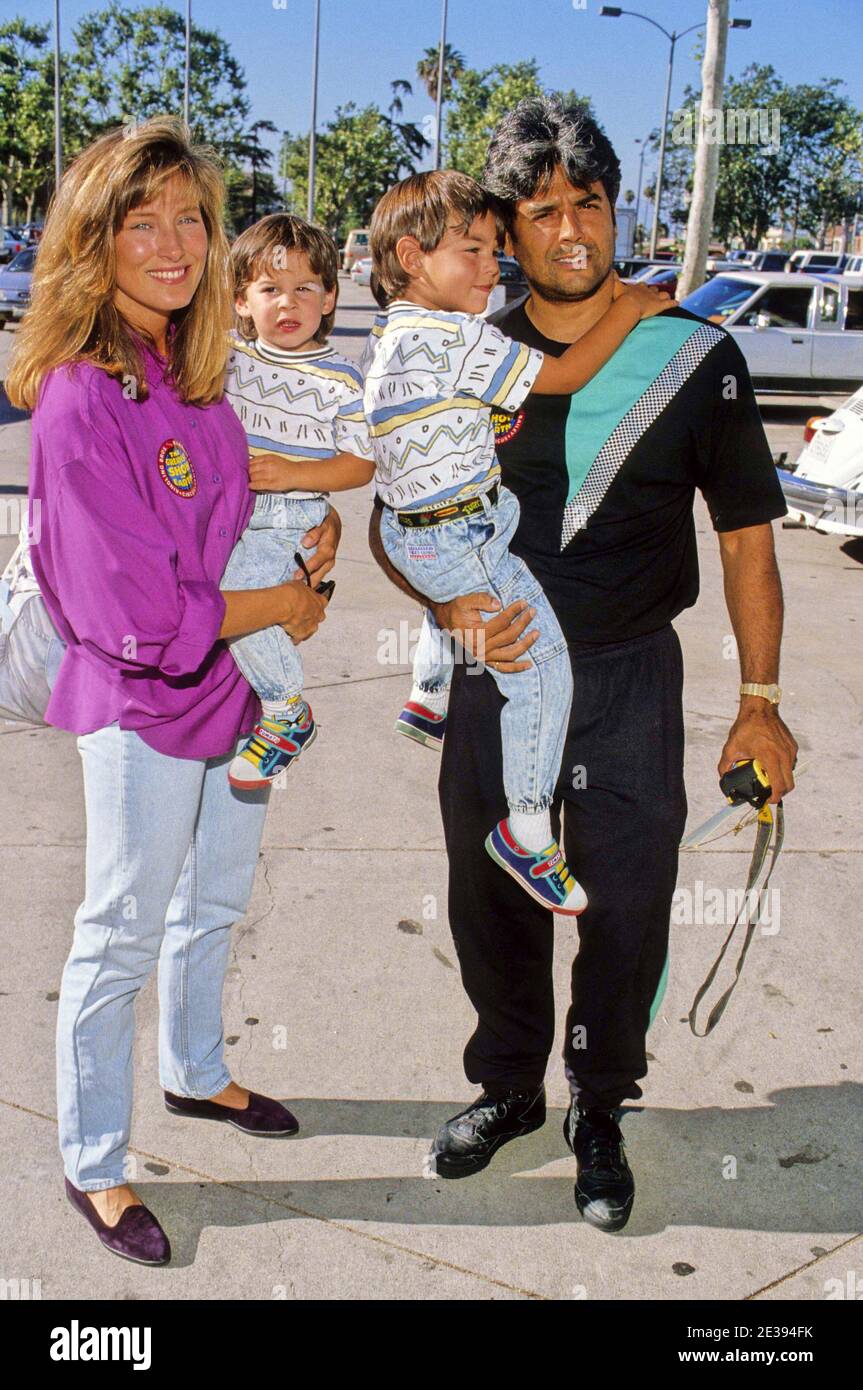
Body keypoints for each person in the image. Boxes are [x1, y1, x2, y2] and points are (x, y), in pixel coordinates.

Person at [368, 97, 798, 1232]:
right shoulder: (466, 340)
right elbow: (391, 509)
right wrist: (445, 598)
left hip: (625, 682)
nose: (570, 230)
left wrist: (758, 704)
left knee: (625, 908)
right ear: (505, 229)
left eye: (588, 204)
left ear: (616, 208)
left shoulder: (693, 351)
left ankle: (598, 1103)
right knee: (489, 895)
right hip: (491, 671)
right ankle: (506, 1085)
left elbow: (748, 539)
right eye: (542, 210)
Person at [5, 116, 338, 1266]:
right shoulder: (78, 398)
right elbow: (136, 615)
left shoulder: (195, 372)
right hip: (141, 705)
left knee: (214, 905)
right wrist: (284, 609)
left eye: (189, 217)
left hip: (230, 695)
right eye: (137, 222)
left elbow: (231, 519)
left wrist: (310, 542)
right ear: (90, 244)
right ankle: (94, 1164)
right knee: (120, 929)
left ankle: (197, 1073)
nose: (172, 243)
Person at [362, 169, 671, 917]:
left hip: (419, 533)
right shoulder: (458, 337)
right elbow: (563, 375)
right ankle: (527, 831)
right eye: (470, 250)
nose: (490, 266)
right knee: (542, 674)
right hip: (457, 537)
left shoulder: (392, 337)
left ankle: (429, 693)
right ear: (411, 256)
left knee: (483, 549)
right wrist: (630, 306)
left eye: (493, 249)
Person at [220, 213, 374, 789]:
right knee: (239, 608)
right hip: (231, 514)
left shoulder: (340, 380)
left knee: (245, 604)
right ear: (241, 300)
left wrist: (294, 474)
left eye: (305, 288)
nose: (288, 303)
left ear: (330, 296)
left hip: (289, 514)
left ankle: (287, 712)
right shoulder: (231, 357)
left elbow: (360, 464)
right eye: (270, 289)